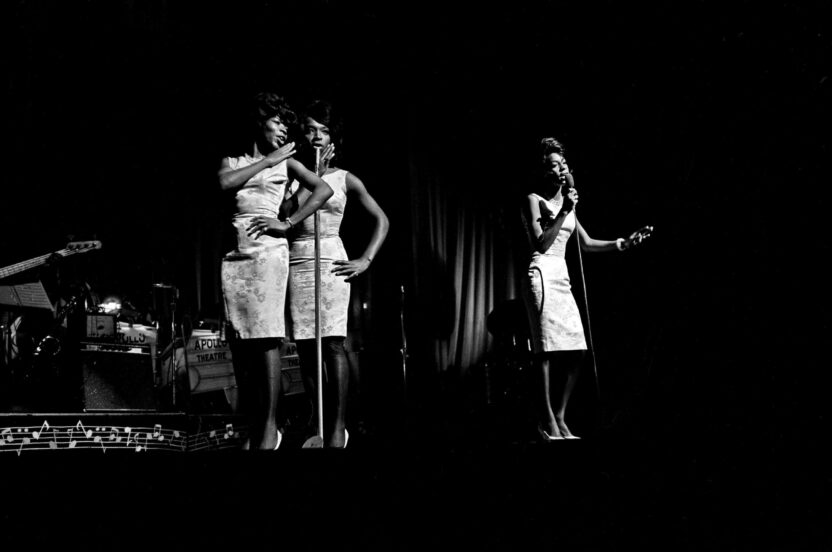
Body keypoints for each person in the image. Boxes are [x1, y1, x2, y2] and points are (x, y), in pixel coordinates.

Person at [218, 92, 333, 451]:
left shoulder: (289, 163)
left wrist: (288, 222)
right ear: (259, 121)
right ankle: (255, 425)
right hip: (237, 255)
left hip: (269, 252)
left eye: (287, 124)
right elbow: (225, 183)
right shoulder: (234, 160)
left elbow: (323, 189)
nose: (284, 130)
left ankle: (270, 430)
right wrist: (268, 160)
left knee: (267, 338)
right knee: (243, 341)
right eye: (278, 122)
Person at [521, 137, 652, 441]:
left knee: (578, 349)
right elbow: (540, 242)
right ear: (544, 172)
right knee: (545, 350)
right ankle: (547, 419)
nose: (561, 168)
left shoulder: (568, 206)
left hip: (561, 276)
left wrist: (623, 243)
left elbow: (587, 244)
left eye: (563, 164)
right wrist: (565, 209)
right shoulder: (533, 199)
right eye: (554, 165)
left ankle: (561, 414)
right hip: (540, 271)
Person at [285, 100, 389, 448]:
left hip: (331, 259)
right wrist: (309, 176)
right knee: (303, 347)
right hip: (297, 260)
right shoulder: (290, 172)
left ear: (333, 136)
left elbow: (382, 220)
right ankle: (319, 416)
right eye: (311, 128)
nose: (317, 135)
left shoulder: (345, 178)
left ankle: (338, 426)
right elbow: (288, 213)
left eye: (324, 129)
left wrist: (366, 260)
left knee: (332, 343)